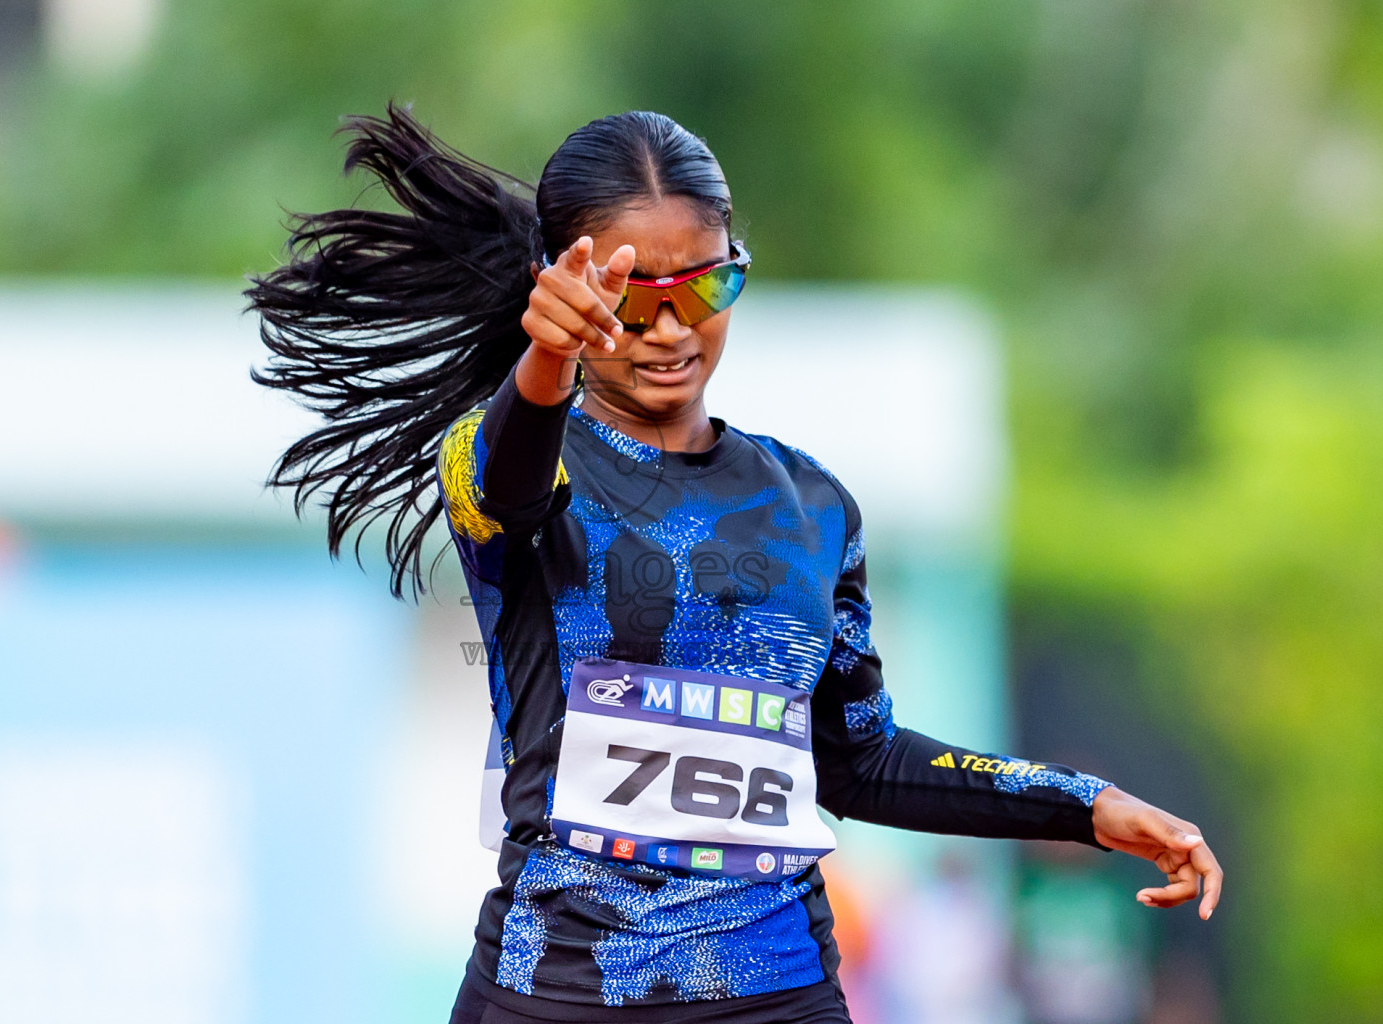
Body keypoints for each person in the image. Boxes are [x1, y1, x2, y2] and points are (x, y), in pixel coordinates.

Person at [247, 104, 1223, 1024]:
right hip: (559, 989)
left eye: (706, 286)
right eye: (633, 297)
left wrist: (1086, 804)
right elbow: (508, 480)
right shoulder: (502, 458)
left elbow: (860, 758)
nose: (673, 329)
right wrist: (541, 363)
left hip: (777, 991)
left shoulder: (812, 505)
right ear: (563, 282)